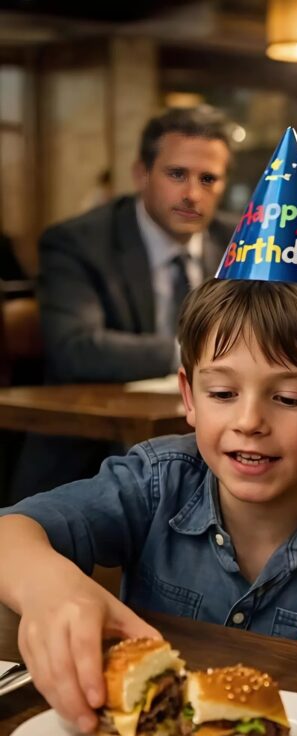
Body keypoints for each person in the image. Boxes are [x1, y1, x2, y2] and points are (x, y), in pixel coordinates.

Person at [0, 277, 297, 732]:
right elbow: (11, 532)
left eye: (289, 398)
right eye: (222, 393)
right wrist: (50, 589)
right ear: (189, 397)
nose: (249, 421)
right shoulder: (158, 481)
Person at [10, 105, 238, 500]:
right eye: (176, 174)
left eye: (208, 179)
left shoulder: (242, 241)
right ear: (141, 174)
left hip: (216, 453)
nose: (192, 194)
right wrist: (194, 353)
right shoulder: (78, 242)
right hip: (93, 459)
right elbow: (76, 349)